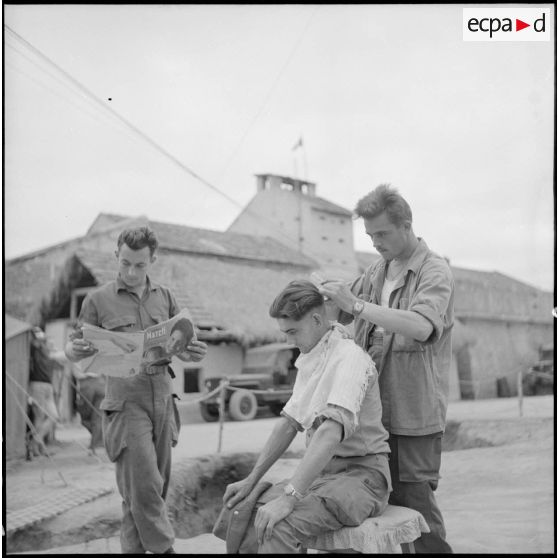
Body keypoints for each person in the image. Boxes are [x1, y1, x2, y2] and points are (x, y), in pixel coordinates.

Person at [318, 184, 454, 554]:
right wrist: (319, 294)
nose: (375, 242)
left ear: (406, 225)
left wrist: (358, 306)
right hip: (372, 420)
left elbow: (421, 326)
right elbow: (341, 306)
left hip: (415, 416)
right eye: (369, 235)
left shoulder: (434, 270)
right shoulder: (378, 270)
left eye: (382, 233)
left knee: (418, 512)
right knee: (386, 515)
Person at [64, 226, 208, 554]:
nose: (130, 272)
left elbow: (182, 344)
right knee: (144, 487)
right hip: (125, 398)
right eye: (125, 263)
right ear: (116, 255)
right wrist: (79, 350)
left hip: (163, 392)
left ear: (152, 261)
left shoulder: (166, 296)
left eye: (139, 265)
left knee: (147, 491)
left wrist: (191, 351)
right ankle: (165, 550)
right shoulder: (97, 300)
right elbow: (72, 350)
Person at [221, 280, 391, 554]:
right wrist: (251, 479)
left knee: (277, 524)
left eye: (293, 332)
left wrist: (291, 496)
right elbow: (289, 423)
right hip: (324, 474)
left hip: (362, 478)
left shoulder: (350, 358)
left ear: (315, 319)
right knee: (245, 510)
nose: (288, 340)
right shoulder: (312, 356)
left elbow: (329, 433)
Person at [28, 327, 64, 456]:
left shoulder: (49, 355)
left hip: (48, 386)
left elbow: (62, 362)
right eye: (47, 341)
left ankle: (36, 441)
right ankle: (38, 448)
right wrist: (37, 336)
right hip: (37, 385)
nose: (50, 344)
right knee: (39, 417)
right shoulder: (36, 349)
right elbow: (33, 341)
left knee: (54, 417)